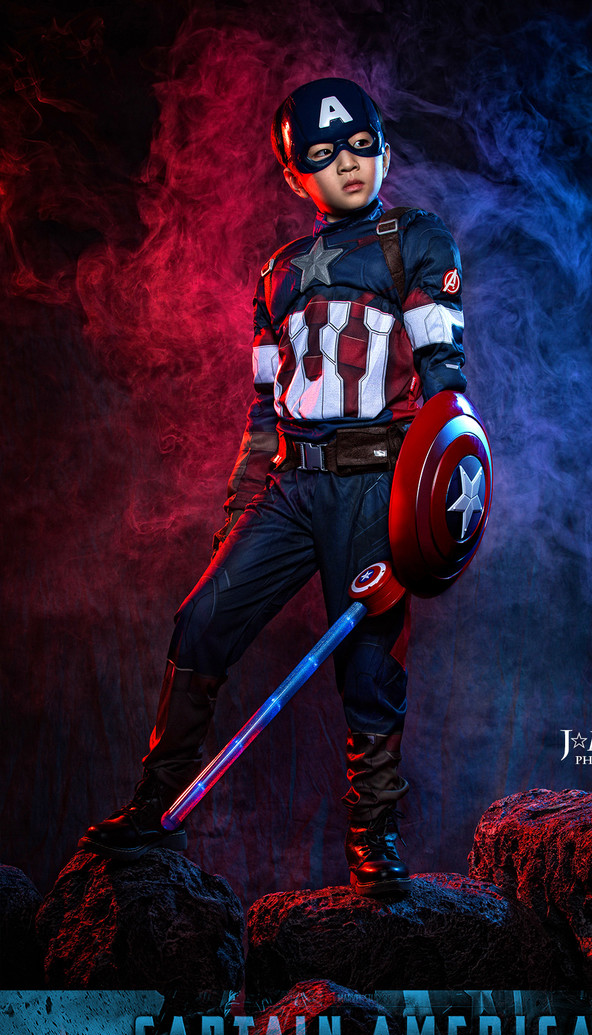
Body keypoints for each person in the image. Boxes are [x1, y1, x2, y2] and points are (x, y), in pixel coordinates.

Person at [79, 77, 467, 900]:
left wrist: (420, 539)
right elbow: (264, 411)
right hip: (291, 483)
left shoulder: (415, 239)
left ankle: (373, 840)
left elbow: (447, 398)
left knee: (369, 667)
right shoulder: (277, 273)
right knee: (202, 621)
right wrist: (239, 506)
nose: (348, 165)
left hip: (376, 484)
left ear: (385, 149)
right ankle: (154, 807)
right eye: (323, 155)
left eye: (360, 145)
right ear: (295, 177)